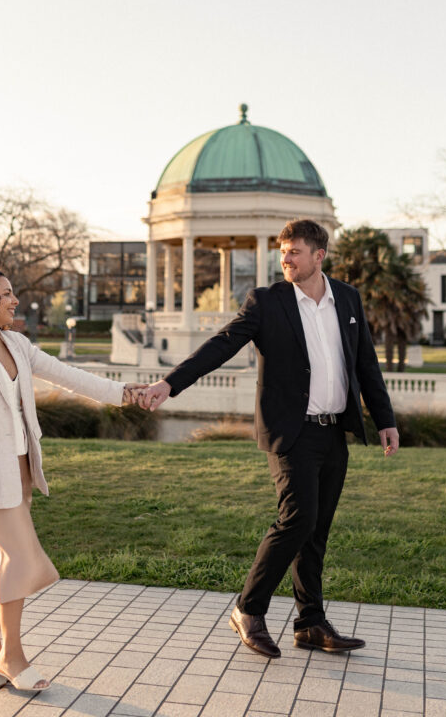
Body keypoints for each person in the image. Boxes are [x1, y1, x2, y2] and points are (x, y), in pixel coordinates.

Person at [139, 218, 399, 658]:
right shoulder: (267, 302)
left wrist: (385, 418)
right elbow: (221, 345)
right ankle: (248, 609)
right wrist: (170, 384)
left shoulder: (347, 298)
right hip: (290, 432)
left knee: (316, 530)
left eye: (294, 251)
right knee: (296, 521)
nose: (285, 259)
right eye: (282, 252)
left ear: (319, 255)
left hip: (334, 431)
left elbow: (365, 364)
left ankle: (310, 623)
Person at [0, 264, 145, 691]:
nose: (15, 300)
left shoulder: (17, 343)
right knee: (18, 559)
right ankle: (11, 656)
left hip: (21, 466)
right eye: (7, 293)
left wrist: (122, 394)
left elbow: (69, 377)